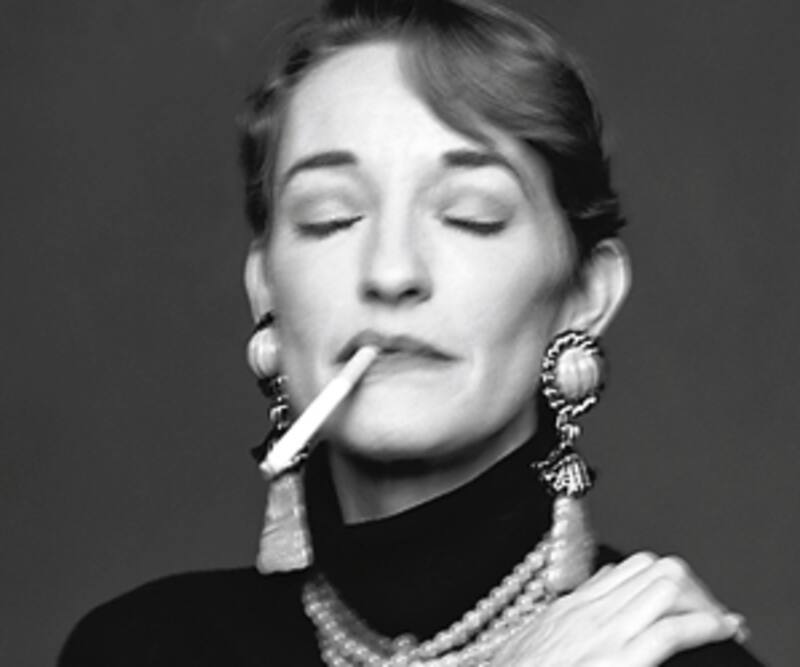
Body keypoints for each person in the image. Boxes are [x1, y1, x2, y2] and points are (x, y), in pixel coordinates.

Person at [59, 0, 763, 665]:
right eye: (330, 218)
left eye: (471, 214)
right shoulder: (137, 648)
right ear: (264, 286)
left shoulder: (664, 652)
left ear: (585, 292)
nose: (392, 272)